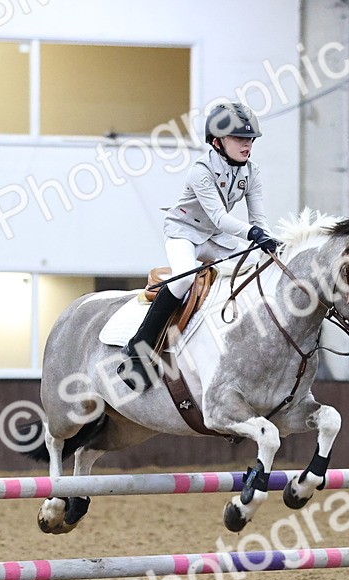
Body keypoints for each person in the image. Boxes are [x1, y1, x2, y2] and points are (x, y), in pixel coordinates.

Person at [118, 101, 280, 389]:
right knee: (184, 278)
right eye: (239, 138)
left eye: (250, 139)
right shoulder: (201, 171)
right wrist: (253, 234)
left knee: (260, 265)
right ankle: (139, 348)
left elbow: (259, 219)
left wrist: (270, 242)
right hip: (184, 233)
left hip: (214, 238)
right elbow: (219, 218)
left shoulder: (252, 172)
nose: (247, 145)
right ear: (217, 142)